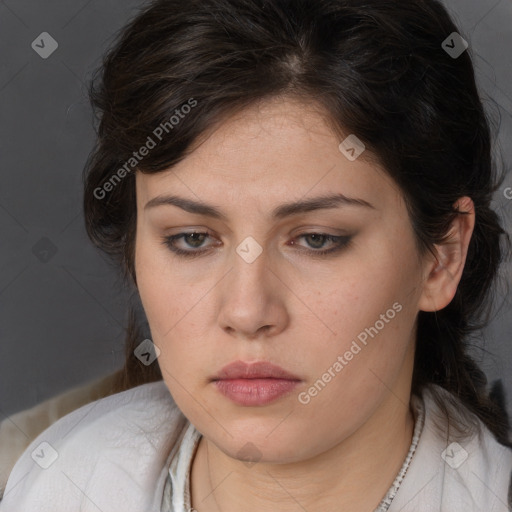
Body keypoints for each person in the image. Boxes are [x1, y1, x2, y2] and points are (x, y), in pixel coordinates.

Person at [1, 0, 511, 510]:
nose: (247, 312)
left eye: (317, 239)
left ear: (441, 257)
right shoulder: (52, 484)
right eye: (192, 239)